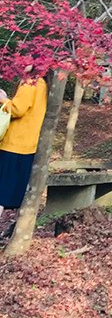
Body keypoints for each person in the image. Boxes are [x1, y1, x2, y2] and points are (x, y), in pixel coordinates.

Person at [0, 66, 48, 217]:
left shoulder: (30, 83)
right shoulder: (44, 83)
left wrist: (3, 100)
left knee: (2, 193)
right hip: (29, 145)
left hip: (14, 145)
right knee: (11, 194)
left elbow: (18, 109)